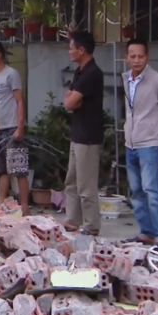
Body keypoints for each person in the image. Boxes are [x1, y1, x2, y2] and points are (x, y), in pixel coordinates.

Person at [122, 38, 158, 251]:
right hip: (131, 142)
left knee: (151, 188)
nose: (136, 60)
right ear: (127, 58)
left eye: (140, 56)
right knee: (136, 189)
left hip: (150, 141)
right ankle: (146, 232)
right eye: (132, 56)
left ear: (147, 57)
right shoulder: (127, 79)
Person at [62, 31, 104, 236]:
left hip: (88, 135)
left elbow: (70, 101)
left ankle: (91, 224)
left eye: (72, 48)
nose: (69, 51)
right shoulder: (80, 72)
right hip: (77, 134)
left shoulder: (92, 73)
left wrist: (74, 101)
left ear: (82, 50)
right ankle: (72, 219)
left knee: (86, 184)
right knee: (72, 181)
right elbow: (68, 101)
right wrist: (74, 101)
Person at [0, 41, 30, 216]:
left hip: (12, 127)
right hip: (1, 129)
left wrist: (20, 126)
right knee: (0, 168)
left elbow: (19, 101)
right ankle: (1, 201)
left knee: (18, 169)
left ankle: (25, 205)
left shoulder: (11, 74)